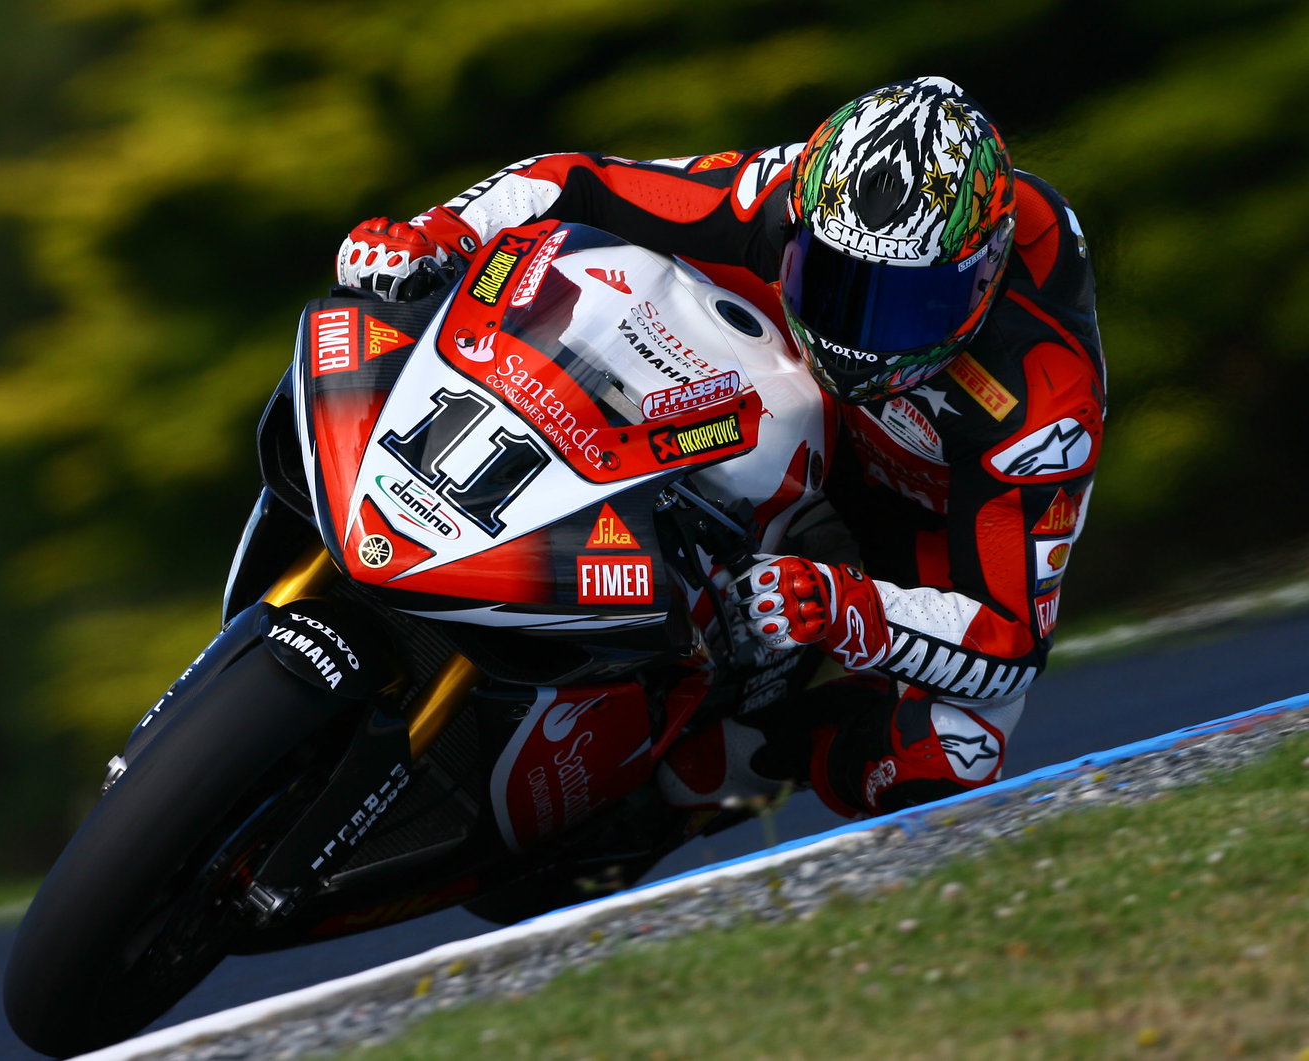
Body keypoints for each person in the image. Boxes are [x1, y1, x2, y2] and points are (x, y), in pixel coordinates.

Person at [334, 76, 1105, 819]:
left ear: (981, 278)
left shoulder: (1043, 396)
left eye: (906, 306)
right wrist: (435, 234)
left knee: (956, 751)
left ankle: (728, 763)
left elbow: (1008, 638)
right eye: (832, 279)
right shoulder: (782, 192)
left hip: (919, 513)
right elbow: (577, 181)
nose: (855, 329)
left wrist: (847, 608)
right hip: (745, 395)